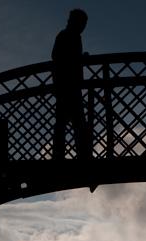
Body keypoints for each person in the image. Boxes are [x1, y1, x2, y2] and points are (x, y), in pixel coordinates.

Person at [52, 9, 91, 160]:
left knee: (66, 122)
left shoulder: (68, 36)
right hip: (68, 86)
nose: (83, 26)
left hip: (66, 86)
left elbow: (60, 57)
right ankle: (80, 155)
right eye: (83, 23)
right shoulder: (68, 36)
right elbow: (60, 58)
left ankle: (60, 154)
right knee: (76, 122)